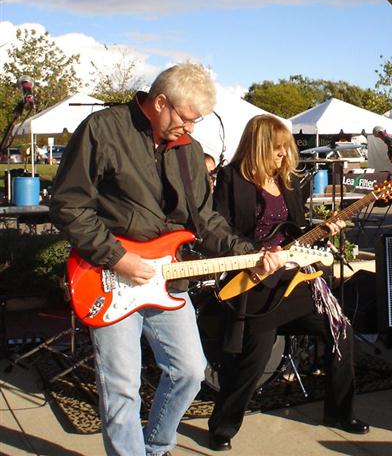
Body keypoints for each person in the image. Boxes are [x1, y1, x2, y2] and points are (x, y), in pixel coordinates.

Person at [49, 63, 283, 456]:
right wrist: (118, 257)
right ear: (161, 103)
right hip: (107, 275)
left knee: (190, 372)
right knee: (121, 386)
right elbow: (68, 204)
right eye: (188, 119)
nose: (191, 129)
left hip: (168, 280)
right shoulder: (103, 130)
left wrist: (251, 255)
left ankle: (156, 447)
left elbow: (205, 221)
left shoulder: (189, 152)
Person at [207, 114, 370, 451]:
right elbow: (217, 231)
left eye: (286, 150)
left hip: (295, 279)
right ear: (260, 147)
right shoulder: (229, 179)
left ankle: (340, 412)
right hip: (255, 281)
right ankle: (223, 424)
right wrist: (256, 253)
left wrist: (325, 229)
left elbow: (296, 230)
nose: (283, 157)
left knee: (340, 330)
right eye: (277, 150)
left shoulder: (288, 183)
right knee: (254, 358)